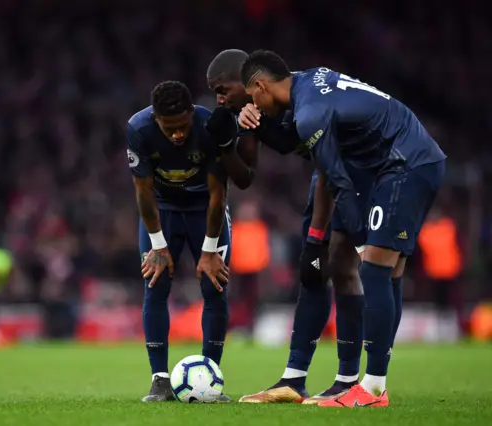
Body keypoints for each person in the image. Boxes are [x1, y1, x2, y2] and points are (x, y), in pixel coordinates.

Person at [241, 50, 446, 407]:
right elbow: (298, 143)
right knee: (388, 272)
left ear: (259, 86)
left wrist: (361, 240)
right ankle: (370, 384)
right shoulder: (309, 82)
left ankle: (372, 389)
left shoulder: (310, 113)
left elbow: (335, 178)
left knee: (376, 269)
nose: (252, 104)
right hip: (408, 159)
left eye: (250, 97)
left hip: (404, 165)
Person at [206, 49, 369, 404]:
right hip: (323, 177)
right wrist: (225, 145)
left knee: (346, 266)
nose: (218, 98)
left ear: (250, 82)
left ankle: (354, 380)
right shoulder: (247, 112)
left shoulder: (298, 94)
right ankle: (294, 379)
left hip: (350, 171)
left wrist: (316, 234)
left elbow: (324, 146)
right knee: (313, 271)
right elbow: (246, 175)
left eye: (222, 89)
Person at [127, 81, 231, 402]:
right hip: (163, 212)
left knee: (215, 288)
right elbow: (143, 192)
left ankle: (210, 374)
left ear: (191, 113)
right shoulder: (138, 129)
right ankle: (160, 380)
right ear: (155, 119)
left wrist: (210, 251)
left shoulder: (208, 125)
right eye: (169, 128)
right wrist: (158, 245)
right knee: (155, 286)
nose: (177, 135)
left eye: (183, 125)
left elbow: (218, 195)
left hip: (205, 211)